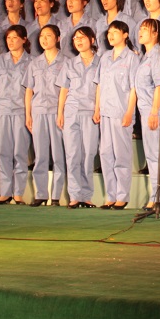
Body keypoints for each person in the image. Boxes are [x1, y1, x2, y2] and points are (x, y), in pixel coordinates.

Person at [94, 22, 139, 209]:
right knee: (105, 154)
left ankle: (122, 195)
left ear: (125, 34)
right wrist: (97, 109)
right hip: (105, 112)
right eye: (109, 32)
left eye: (115, 32)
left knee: (121, 155)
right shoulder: (105, 57)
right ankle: (110, 195)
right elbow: (99, 85)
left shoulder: (132, 58)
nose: (110, 35)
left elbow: (134, 88)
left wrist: (129, 112)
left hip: (121, 113)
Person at [0, 25, 33, 204]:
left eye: (14, 38)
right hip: (2, 110)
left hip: (21, 110)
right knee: (3, 151)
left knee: (20, 152)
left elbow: (31, 89)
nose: (11, 41)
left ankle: (18, 193)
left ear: (24, 39)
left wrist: (29, 114)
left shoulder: (31, 61)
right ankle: (5, 192)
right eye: (8, 38)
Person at [58, 26, 100, 208]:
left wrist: (97, 109)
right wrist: (60, 113)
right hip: (71, 112)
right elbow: (64, 89)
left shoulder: (100, 62)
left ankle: (87, 195)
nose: (78, 41)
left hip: (90, 112)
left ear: (92, 40)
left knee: (89, 154)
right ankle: (75, 195)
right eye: (75, 38)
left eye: (82, 37)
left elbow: (100, 88)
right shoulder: (69, 63)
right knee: (72, 154)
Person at [25, 25, 66, 206]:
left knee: (58, 155)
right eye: (42, 35)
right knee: (40, 155)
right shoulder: (34, 63)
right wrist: (28, 114)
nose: (44, 39)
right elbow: (29, 90)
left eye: (48, 35)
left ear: (57, 38)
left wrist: (62, 112)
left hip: (57, 112)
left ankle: (56, 196)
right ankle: (40, 194)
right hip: (39, 111)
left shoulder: (66, 62)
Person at [134, 19, 160, 208]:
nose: (141, 31)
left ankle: (158, 198)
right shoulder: (146, 56)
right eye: (140, 28)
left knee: (157, 155)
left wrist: (154, 112)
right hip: (147, 110)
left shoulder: (157, 56)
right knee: (153, 155)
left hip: (154, 111)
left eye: (145, 29)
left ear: (155, 33)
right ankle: (157, 196)